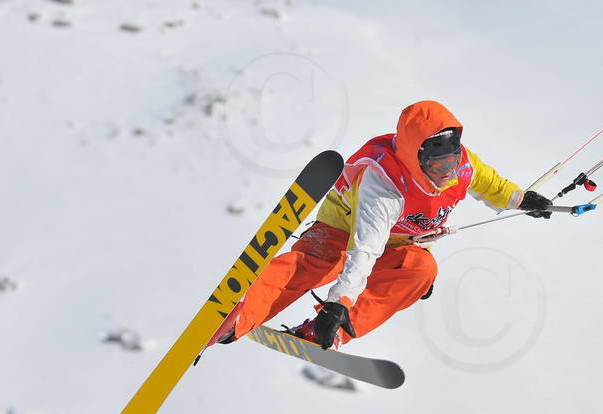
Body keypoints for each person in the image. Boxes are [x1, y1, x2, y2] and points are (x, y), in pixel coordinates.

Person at [209, 100, 552, 350]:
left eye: (451, 160)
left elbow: (491, 183)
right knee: (312, 265)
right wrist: (339, 300)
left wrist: (523, 200)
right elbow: (365, 248)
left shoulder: (462, 164)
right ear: (415, 156)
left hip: (396, 243)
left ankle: (328, 332)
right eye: (436, 164)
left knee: (420, 270)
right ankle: (236, 315)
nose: (446, 171)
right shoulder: (384, 183)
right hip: (343, 230)